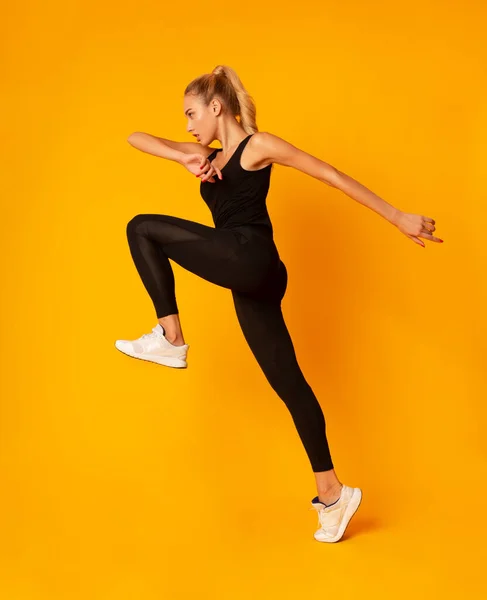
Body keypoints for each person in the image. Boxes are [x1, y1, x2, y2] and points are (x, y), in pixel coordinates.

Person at [115, 64, 443, 543]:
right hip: (253, 278)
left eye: (191, 114)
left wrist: (398, 217)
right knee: (289, 384)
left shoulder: (256, 147)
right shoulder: (202, 155)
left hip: (252, 255)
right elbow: (134, 137)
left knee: (141, 227)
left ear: (215, 106)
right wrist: (180, 158)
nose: (187, 126)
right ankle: (333, 495)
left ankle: (171, 337)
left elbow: (329, 174)